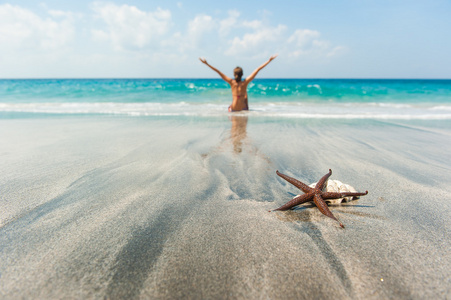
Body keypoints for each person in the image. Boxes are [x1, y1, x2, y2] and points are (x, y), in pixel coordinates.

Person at [199, 55, 278, 112]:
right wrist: (269, 61)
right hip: (243, 109)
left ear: (234, 74)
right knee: (245, 96)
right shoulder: (245, 83)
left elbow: (218, 72)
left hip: (233, 109)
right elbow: (257, 70)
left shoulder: (231, 82)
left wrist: (206, 64)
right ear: (242, 74)